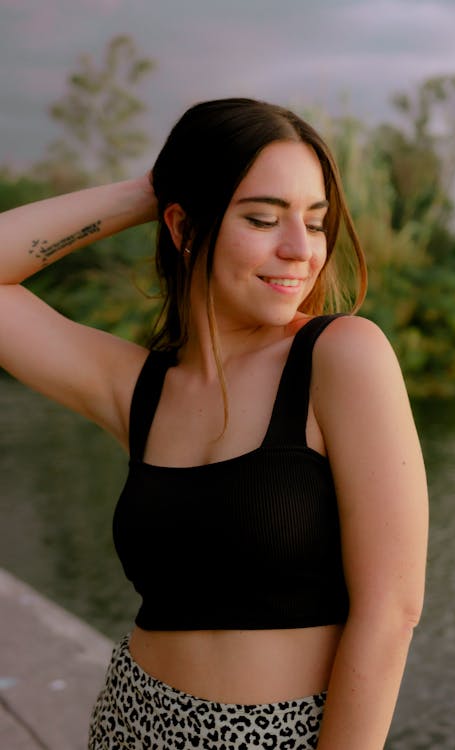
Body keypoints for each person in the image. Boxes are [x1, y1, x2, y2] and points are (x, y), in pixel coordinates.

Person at [0, 98, 428, 750]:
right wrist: (153, 189)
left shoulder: (341, 356)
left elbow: (392, 613)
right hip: (130, 722)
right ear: (184, 226)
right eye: (262, 218)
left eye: (314, 223)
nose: (298, 250)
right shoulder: (139, 388)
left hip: (275, 736)